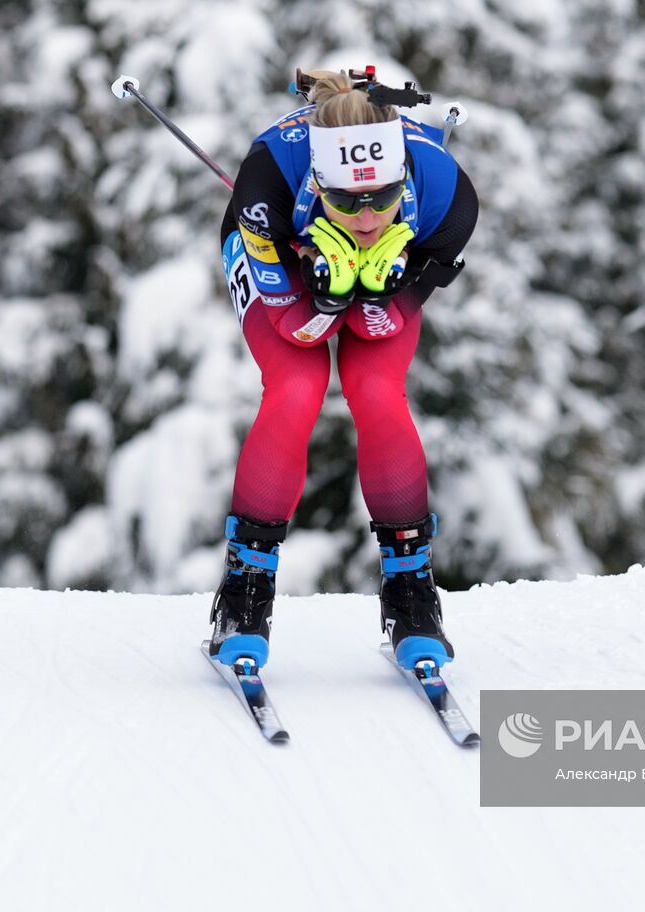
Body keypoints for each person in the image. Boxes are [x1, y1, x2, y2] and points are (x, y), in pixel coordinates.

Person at [209, 68, 477, 673]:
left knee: (377, 390)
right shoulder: (265, 188)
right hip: (281, 250)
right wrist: (327, 296)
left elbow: (374, 328)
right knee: (297, 388)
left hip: (391, 266)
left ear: (403, 175)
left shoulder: (447, 196)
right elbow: (296, 330)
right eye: (348, 199)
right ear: (319, 181)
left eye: (382, 197)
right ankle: (245, 589)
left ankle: (411, 591)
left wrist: (378, 292)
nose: (366, 216)